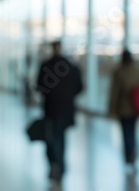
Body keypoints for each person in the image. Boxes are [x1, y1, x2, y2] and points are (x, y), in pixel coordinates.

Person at [36, 40, 83, 184]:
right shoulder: (71, 67)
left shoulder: (46, 66)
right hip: (65, 110)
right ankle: (60, 166)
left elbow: (39, 87)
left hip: (51, 109)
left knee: (51, 137)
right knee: (61, 137)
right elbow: (80, 87)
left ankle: (54, 164)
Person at [108, 49, 139, 173]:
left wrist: (111, 110)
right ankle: (133, 155)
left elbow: (114, 93)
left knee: (126, 133)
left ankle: (129, 157)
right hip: (135, 109)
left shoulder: (119, 72)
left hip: (123, 109)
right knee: (133, 132)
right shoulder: (138, 71)